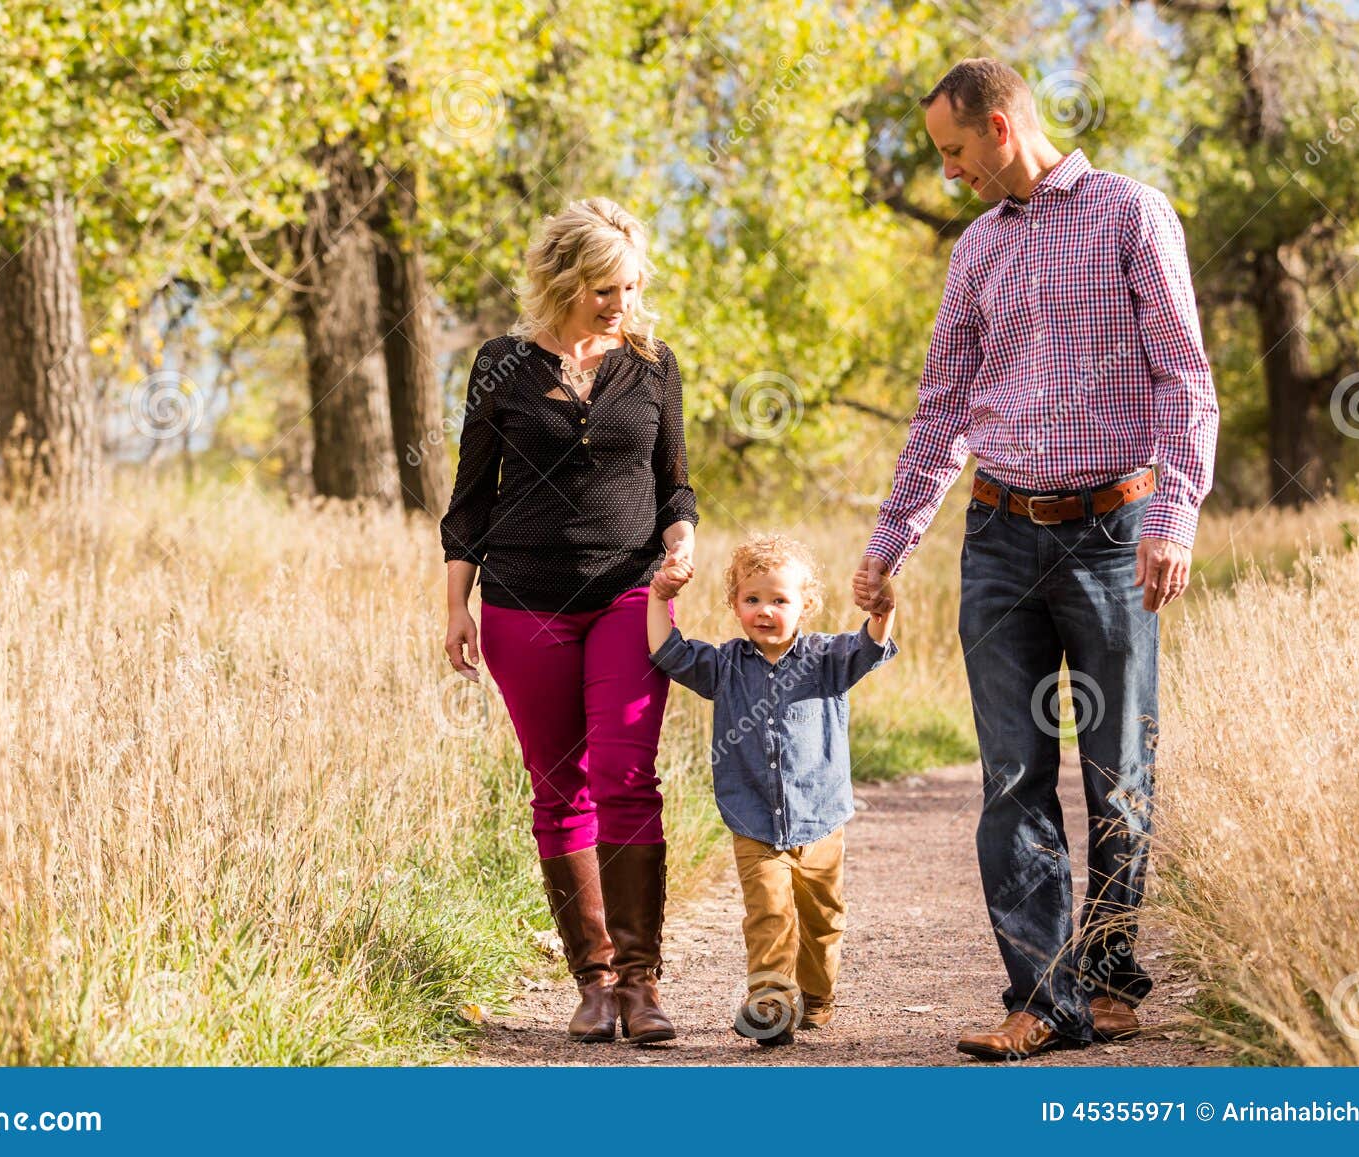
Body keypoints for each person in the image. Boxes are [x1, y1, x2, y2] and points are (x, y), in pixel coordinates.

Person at [853, 59, 1220, 1061]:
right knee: (1012, 770)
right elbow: (939, 410)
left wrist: (1174, 518)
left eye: (953, 150)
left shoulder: (1131, 215)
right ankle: (1040, 998)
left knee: (1118, 771)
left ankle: (1106, 976)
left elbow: (1183, 376)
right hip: (999, 537)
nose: (949, 171)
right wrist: (892, 537)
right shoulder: (972, 252)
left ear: (1002, 128)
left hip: (1112, 532)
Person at [441, 197, 698, 1044]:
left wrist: (682, 538)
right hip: (523, 600)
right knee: (560, 788)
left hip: (629, 592)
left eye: (627, 285)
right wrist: (456, 605)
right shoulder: (500, 365)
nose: (618, 302)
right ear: (561, 281)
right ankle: (590, 981)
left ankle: (641, 981)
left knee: (628, 774)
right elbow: (470, 500)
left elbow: (675, 485)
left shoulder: (653, 364)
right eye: (600, 287)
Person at [646, 533, 896, 1046]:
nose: (765, 611)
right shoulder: (724, 665)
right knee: (769, 913)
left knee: (823, 919)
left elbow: (871, 644)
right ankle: (771, 1001)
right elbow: (667, 651)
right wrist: (659, 597)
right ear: (735, 605)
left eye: (780, 600)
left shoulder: (828, 658)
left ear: (806, 603)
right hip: (753, 819)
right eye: (752, 599)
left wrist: (882, 608)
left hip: (820, 817)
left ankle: (817, 995)